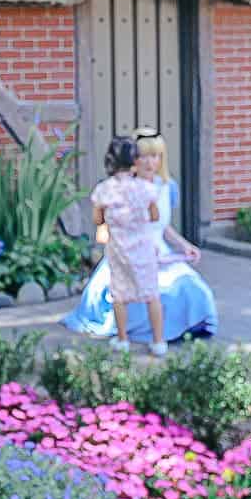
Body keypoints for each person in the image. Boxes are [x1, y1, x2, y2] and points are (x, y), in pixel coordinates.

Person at [66, 130, 216, 346]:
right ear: (134, 160)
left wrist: (185, 246)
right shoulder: (123, 189)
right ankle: (150, 338)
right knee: (133, 293)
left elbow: (163, 226)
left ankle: (171, 331)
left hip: (157, 250)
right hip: (130, 250)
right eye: (143, 156)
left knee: (190, 287)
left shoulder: (166, 187)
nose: (149, 162)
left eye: (155, 156)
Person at [87, 136, 165, 357]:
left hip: (118, 248)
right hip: (144, 248)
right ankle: (159, 341)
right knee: (152, 293)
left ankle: (123, 339)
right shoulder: (146, 188)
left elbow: (97, 218)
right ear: (135, 160)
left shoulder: (103, 190)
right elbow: (154, 216)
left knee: (120, 294)